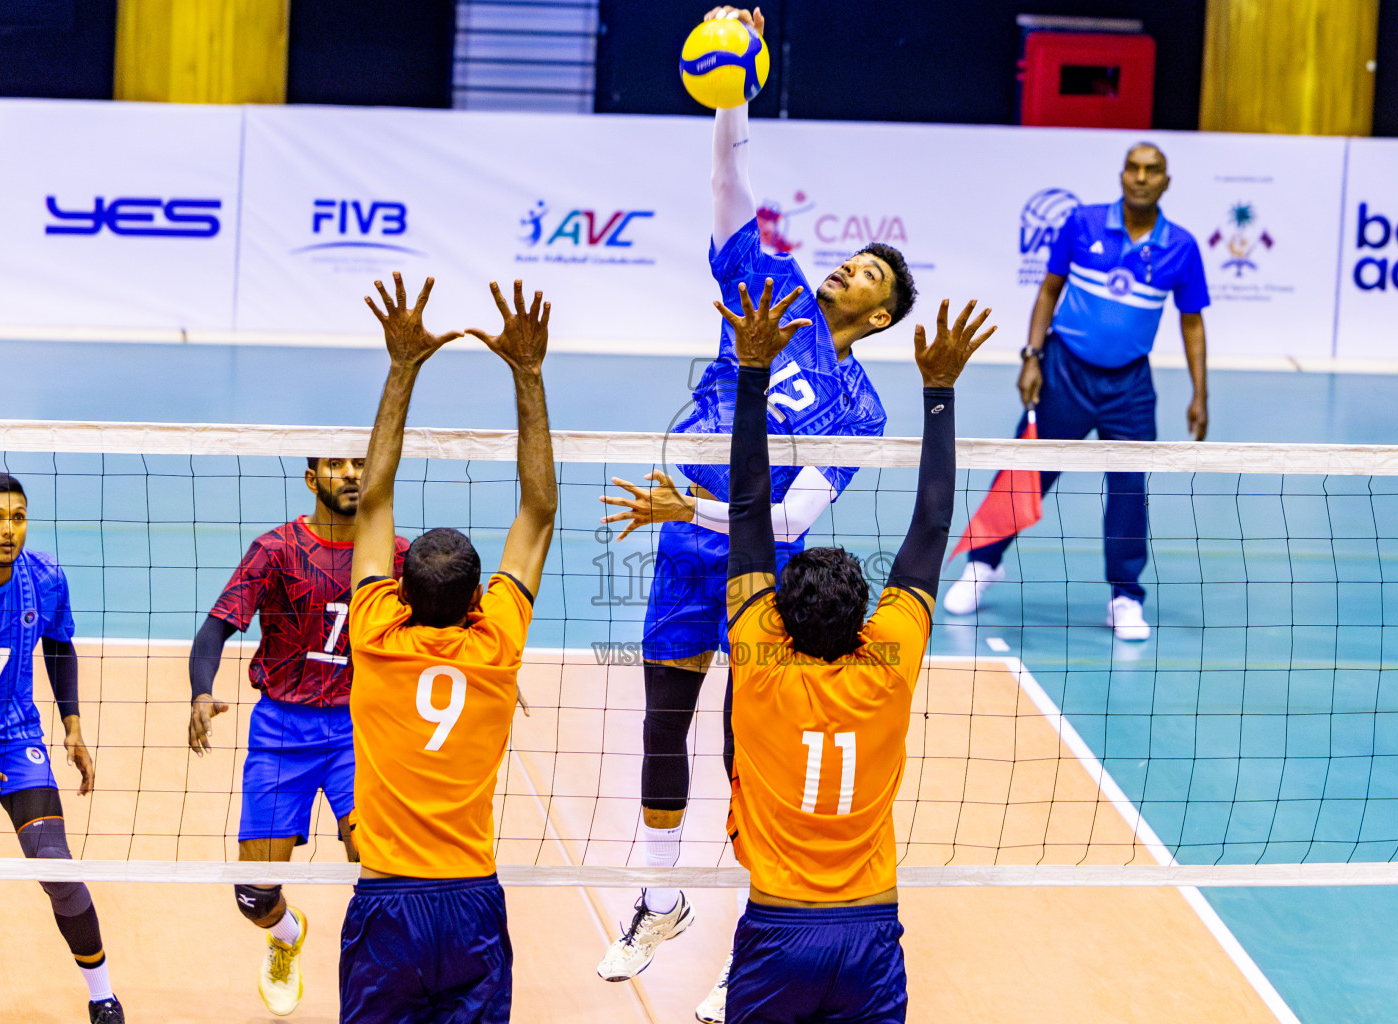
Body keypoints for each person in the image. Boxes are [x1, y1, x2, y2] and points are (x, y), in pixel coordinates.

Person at [594, 8, 915, 1018]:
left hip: (750, 579)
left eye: (863, 273)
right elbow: (731, 192)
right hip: (677, 553)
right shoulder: (772, 287)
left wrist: (684, 502)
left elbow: (788, 522)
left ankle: (756, 938)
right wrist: (731, 91)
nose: (841, 270)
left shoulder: (860, 407)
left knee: (752, 758)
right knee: (660, 730)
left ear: (883, 313)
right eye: (847, 261)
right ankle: (657, 899)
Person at [722, 281, 993, 1023]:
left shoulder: (757, 657)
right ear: (866, 619)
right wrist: (939, 390)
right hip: (871, 930)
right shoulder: (891, 659)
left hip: (779, 928)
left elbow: (749, 508)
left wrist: (753, 370)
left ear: (776, 615)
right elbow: (936, 523)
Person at [339, 273, 556, 1024]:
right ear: (475, 600)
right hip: (469, 900)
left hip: (389, 899)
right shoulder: (496, 641)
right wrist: (528, 373)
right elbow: (538, 510)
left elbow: (370, 499)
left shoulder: (374, 631)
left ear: (398, 589)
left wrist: (402, 367)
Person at [943, 142, 1210, 640]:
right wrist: (1032, 356)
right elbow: (1049, 290)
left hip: (1130, 385)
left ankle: (1125, 596)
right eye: (1133, 168)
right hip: (1064, 371)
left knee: (1131, 489)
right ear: (1122, 176)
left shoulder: (1182, 247)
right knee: (1024, 472)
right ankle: (983, 564)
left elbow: (1192, 323)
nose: (1140, 177)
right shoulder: (1081, 224)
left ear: (1166, 182)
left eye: (1152, 171)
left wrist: (1201, 394)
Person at [186, 457, 408, 1015]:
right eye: (336, 466)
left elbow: (453, 614)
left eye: (361, 463)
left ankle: (377, 983)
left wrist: (490, 671)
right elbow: (215, 627)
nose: (352, 474)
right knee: (252, 893)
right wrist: (200, 691)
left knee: (378, 867)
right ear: (312, 479)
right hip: (283, 727)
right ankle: (286, 933)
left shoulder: (396, 555)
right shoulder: (276, 551)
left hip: (362, 728)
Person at [0, 473, 125, 1024]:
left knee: (57, 868)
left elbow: (60, 650)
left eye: (17, 517)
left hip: (13, 737)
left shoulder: (42, 577)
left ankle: (103, 996)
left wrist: (72, 726)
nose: (9, 530)